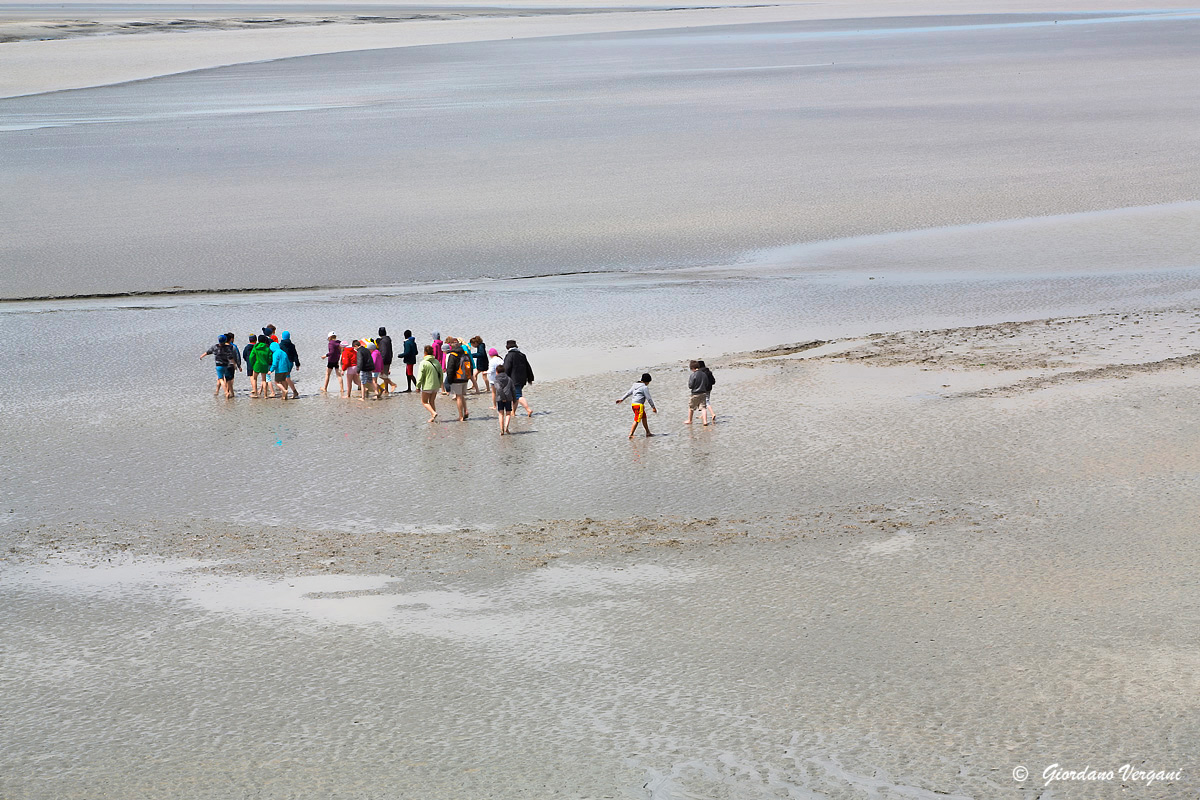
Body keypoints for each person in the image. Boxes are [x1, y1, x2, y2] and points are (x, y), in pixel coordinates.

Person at [616, 373, 657, 438]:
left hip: (633, 405)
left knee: (644, 418)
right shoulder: (644, 387)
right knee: (637, 420)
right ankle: (631, 434)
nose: (648, 384)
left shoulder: (635, 385)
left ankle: (648, 432)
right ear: (647, 381)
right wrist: (653, 407)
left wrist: (622, 399)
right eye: (648, 382)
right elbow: (649, 398)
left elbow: (629, 392)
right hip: (639, 406)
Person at [502, 340, 535, 417]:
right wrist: (530, 378)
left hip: (513, 380)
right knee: (515, 397)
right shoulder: (522, 355)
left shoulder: (509, 356)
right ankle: (513, 413)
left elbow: (506, 368)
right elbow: (528, 367)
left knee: (518, 396)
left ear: (507, 347)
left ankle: (528, 409)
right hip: (522, 379)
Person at [443, 339, 472, 421]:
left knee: (458, 397)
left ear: (451, 345)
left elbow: (450, 368)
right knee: (462, 395)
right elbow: (470, 366)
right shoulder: (465, 353)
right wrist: (469, 376)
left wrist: (449, 380)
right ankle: (465, 411)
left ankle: (461, 416)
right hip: (465, 378)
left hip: (457, 379)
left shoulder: (453, 355)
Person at [415, 345, 442, 422]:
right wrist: (440, 383)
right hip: (436, 385)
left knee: (424, 402)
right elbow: (441, 374)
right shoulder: (436, 361)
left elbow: (420, 376)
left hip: (427, 386)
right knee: (432, 401)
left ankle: (433, 413)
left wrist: (418, 386)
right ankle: (433, 417)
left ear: (425, 353)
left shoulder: (423, 363)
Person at [685, 360, 712, 426]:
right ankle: (705, 421)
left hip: (695, 393)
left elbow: (690, 385)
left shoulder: (693, 375)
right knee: (703, 408)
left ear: (692, 368)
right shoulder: (704, 374)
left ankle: (690, 420)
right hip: (703, 393)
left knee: (691, 407)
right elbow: (706, 383)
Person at [493, 364, 516, 435]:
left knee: (501, 413)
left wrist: (502, 398)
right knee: (508, 413)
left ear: (497, 371)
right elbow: (513, 389)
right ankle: (506, 427)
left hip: (500, 398)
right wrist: (514, 399)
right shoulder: (509, 379)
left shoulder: (496, 380)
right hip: (508, 398)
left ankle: (502, 430)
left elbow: (499, 389)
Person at [278, 331, 300, 399]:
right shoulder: (292, 345)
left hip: (284, 363)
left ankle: (294, 391)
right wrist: (297, 364)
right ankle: (285, 393)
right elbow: (295, 355)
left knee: (287, 378)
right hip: (291, 363)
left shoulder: (281, 345)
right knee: (285, 377)